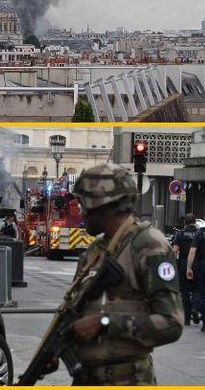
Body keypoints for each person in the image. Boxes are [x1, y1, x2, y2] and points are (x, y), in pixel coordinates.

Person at [44, 164, 183, 385]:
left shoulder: (148, 244)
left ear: (99, 204)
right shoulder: (95, 252)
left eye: (82, 203)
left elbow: (171, 323)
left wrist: (106, 322)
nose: (80, 211)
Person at [173, 214, 200, 326]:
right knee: (197, 289)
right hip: (198, 263)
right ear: (194, 221)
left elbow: (174, 250)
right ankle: (195, 308)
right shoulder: (200, 233)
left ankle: (187, 318)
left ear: (185, 222)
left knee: (184, 291)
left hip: (184, 263)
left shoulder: (181, 234)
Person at [186, 217, 205, 332]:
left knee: (203, 293)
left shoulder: (200, 233)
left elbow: (192, 251)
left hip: (204, 264)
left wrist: (189, 268)